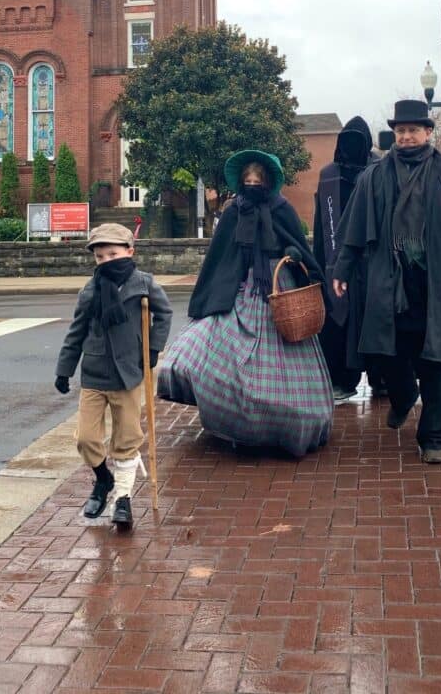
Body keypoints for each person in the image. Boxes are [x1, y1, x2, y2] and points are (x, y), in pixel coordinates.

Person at [332, 101, 441, 463]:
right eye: (401, 131)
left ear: (427, 132)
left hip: (436, 283)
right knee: (384, 350)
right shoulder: (374, 176)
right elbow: (354, 231)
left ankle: (434, 438)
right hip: (389, 281)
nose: (406, 137)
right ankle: (404, 396)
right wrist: (341, 270)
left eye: (413, 131)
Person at [157, 149, 334, 457]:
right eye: (247, 180)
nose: (252, 185)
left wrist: (292, 252)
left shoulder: (282, 208)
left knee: (281, 356)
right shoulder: (232, 211)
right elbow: (219, 256)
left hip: (278, 288)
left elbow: (296, 241)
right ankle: (241, 424)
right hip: (239, 289)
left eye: (257, 180)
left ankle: (283, 424)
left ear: (268, 181)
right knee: (223, 351)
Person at [54, 223, 172, 526]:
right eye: (100, 256)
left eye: (112, 254)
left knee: (126, 438)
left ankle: (122, 499)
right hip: (95, 374)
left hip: (129, 373)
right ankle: (103, 479)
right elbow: (77, 331)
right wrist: (64, 369)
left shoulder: (143, 283)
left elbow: (164, 314)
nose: (106, 260)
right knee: (86, 439)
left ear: (129, 251)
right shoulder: (90, 290)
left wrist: (153, 348)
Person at [313, 116, 385, 401]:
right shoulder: (328, 175)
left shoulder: (380, 170)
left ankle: (382, 379)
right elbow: (321, 222)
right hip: (337, 261)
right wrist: (319, 266)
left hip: (374, 262)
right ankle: (341, 380)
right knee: (338, 323)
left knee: (375, 322)